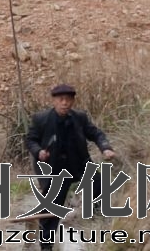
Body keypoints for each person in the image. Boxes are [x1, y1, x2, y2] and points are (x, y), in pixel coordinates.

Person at [25, 83, 116, 249]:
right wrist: (39, 152)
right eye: (61, 100)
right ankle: (46, 245)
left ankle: (93, 216)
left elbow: (95, 133)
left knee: (99, 183)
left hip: (78, 164)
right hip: (52, 168)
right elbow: (31, 139)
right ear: (54, 101)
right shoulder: (41, 119)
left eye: (68, 100)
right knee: (52, 206)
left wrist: (106, 148)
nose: (64, 103)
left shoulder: (79, 117)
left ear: (73, 101)